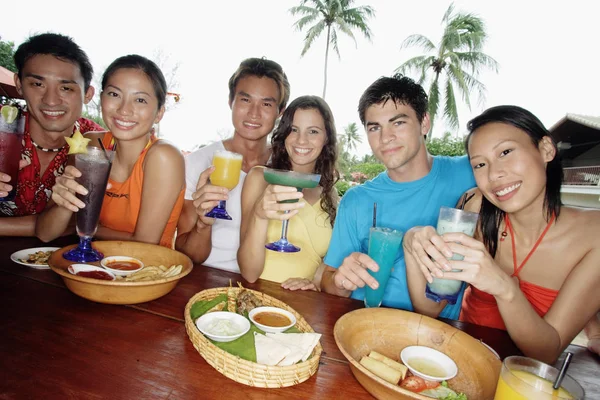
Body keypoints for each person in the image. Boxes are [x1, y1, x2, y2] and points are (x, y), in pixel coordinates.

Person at [403, 105, 600, 363]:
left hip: (524, 380)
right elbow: (430, 307)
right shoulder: (474, 208)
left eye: (506, 152)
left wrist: (503, 287)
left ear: (546, 149)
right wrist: (411, 242)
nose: (494, 174)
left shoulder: (592, 235)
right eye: (480, 164)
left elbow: (545, 351)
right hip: (460, 360)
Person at [319, 74, 475, 318]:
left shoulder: (470, 172)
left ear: (424, 123)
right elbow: (329, 283)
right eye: (374, 127)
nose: (385, 137)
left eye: (398, 123)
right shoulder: (357, 199)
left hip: (436, 334)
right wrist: (340, 280)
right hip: (365, 323)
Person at [35, 55, 185, 248]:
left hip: (145, 271)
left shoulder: (163, 157)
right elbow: (45, 234)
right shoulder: (90, 144)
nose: (124, 110)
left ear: (159, 113)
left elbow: (144, 244)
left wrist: (81, 226)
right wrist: (66, 204)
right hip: (90, 265)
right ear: (101, 98)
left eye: (140, 100)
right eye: (114, 94)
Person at [175, 57, 290, 272]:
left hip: (266, 284)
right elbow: (187, 255)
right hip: (208, 277)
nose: (254, 113)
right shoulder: (199, 163)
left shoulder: (286, 167)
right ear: (231, 102)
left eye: (266, 104)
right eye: (245, 100)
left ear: (280, 111)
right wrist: (202, 224)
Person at [0, 33, 103, 236]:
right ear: (19, 84)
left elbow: (76, 221)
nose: (51, 100)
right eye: (38, 84)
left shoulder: (97, 143)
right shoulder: (5, 128)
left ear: (88, 94)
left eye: (66, 88)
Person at [238, 95, 339, 288]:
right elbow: (248, 272)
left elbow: (325, 267)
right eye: (294, 129)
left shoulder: (329, 194)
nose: (301, 140)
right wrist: (259, 216)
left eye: (313, 131)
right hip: (257, 299)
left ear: (326, 139)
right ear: (284, 133)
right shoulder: (260, 178)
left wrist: (314, 285)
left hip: (304, 306)